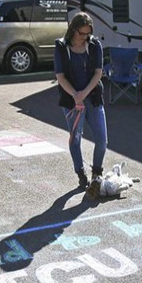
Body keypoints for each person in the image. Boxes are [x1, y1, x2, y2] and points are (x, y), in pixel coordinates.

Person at [54, 12, 107, 199]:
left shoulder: (94, 45)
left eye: (88, 33)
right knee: (75, 138)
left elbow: (98, 73)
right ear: (73, 30)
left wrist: (83, 94)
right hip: (71, 101)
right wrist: (75, 96)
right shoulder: (62, 47)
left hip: (92, 97)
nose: (85, 37)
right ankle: (80, 173)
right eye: (81, 33)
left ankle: (96, 174)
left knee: (102, 139)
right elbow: (60, 76)